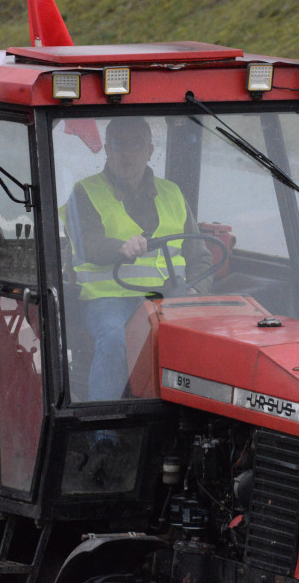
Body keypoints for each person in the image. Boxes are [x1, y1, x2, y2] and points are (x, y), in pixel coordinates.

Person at [63, 116, 211, 400]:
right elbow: (85, 244)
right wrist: (120, 247)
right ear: (107, 149)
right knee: (116, 339)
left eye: (136, 144)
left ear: (149, 151)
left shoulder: (173, 194)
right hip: (108, 299)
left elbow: (199, 256)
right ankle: (101, 430)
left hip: (169, 299)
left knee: (206, 341)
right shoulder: (85, 193)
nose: (127, 153)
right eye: (119, 145)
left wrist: (195, 291)